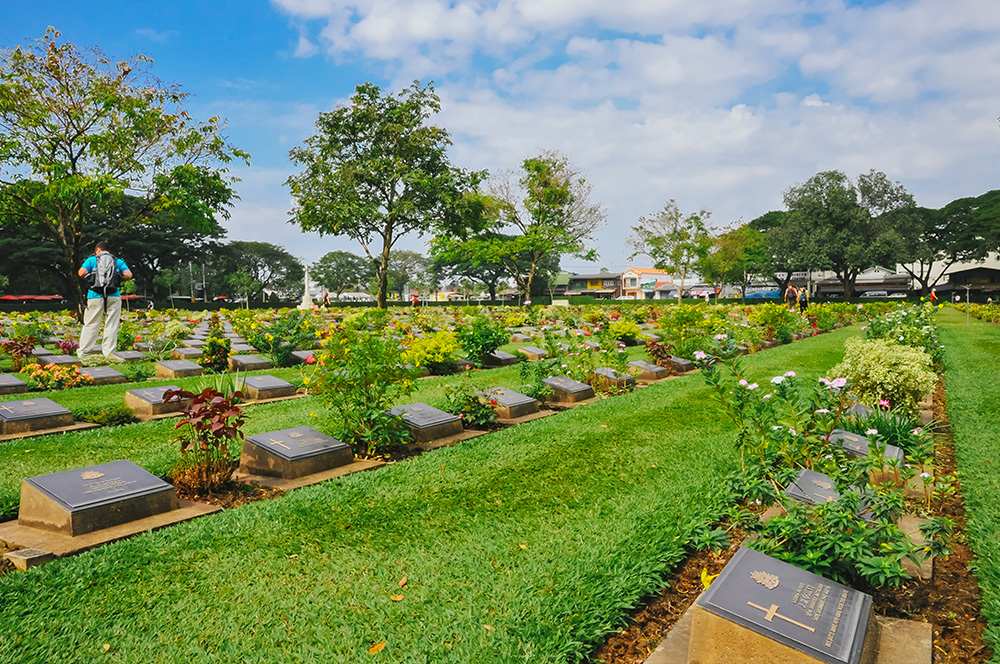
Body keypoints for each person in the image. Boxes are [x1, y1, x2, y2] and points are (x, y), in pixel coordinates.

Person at [77, 241, 132, 357]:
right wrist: (117, 279)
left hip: (95, 295)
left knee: (91, 323)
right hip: (113, 295)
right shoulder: (117, 261)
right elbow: (128, 275)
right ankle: (109, 352)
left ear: (98, 250)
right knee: (111, 324)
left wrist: (91, 277)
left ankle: (85, 352)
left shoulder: (92, 260)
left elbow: (81, 272)